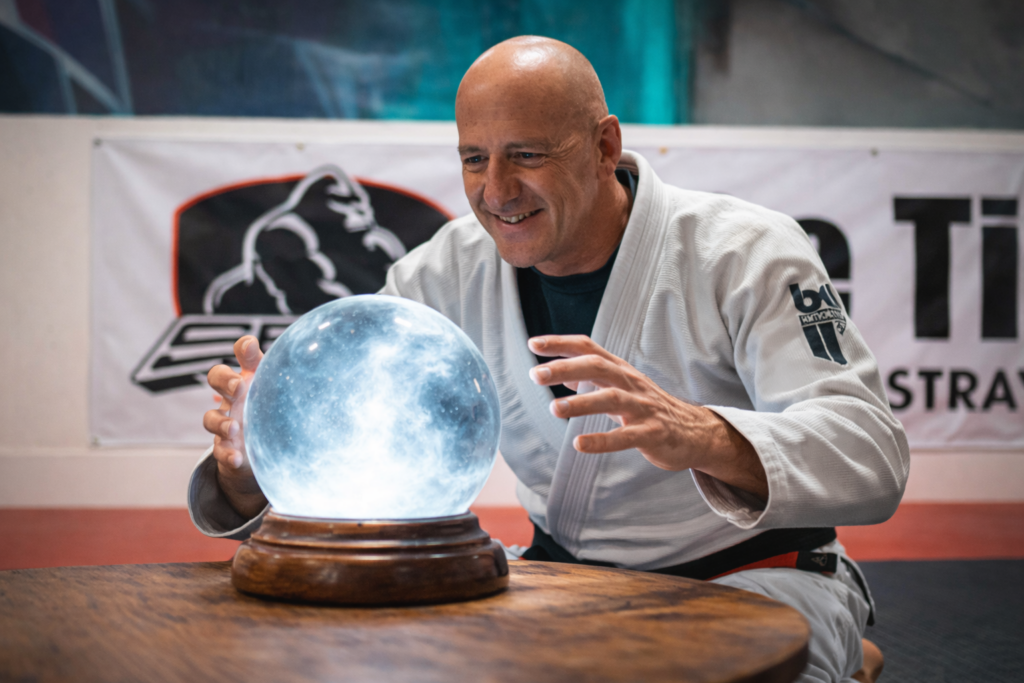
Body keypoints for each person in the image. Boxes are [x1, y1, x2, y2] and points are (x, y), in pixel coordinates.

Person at [192, 36, 905, 683]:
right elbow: (352, 461)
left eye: (527, 154)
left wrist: (702, 434)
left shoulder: (746, 251)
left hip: (755, 578)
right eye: (476, 157)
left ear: (603, 146)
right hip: (564, 588)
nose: (496, 191)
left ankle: (840, 647)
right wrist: (256, 471)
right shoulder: (440, 276)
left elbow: (872, 454)